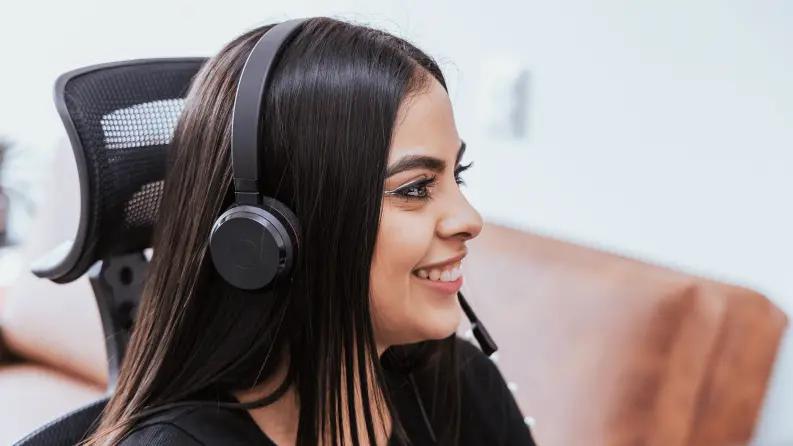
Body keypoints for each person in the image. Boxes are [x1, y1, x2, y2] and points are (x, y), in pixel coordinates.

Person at [81, 16, 537, 446]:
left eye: (457, 176)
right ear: (268, 237)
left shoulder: (459, 383)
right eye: (416, 187)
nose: (469, 220)